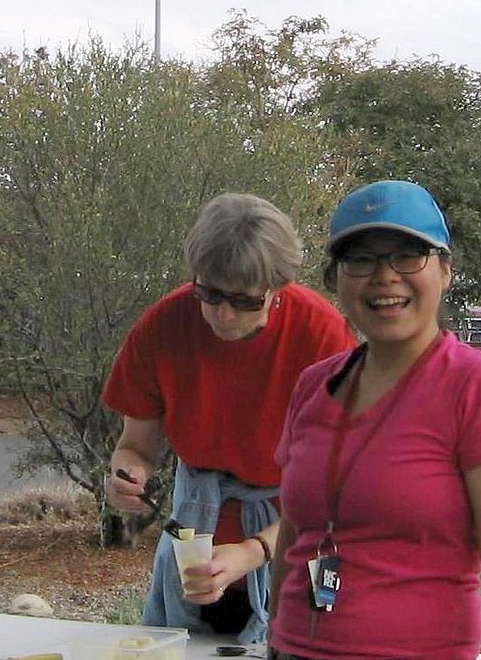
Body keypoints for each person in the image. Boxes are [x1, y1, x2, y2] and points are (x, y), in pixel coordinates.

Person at [268, 180, 481, 660]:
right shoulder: (314, 386)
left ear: (445, 270)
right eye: (361, 259)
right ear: (336, 278)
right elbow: (293, 535)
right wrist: (274, 630)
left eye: (406, 256)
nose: (384, 277)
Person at [102, 192, 358, 644]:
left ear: (276, 289)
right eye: (209, 293)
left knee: (317, 646)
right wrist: (129, 474)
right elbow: (136, 445)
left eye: (243, 302)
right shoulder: (164, 326)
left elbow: (336, 492)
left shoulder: (322, 335)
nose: (221, 314)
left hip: (300, 541)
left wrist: (254, 551)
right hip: (197, 545)